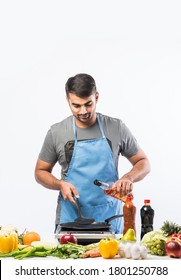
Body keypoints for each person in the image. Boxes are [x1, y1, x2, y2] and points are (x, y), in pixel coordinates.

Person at [34, 73, 151, 233]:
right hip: (71, 220)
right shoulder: (57, 132)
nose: (83, 111)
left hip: (110, 218)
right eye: (76, 105)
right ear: (67, 100)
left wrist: (128, 178)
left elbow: (143, 162)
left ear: (97, 97)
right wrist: (60, 184)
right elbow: (40, 172)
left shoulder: (116, 128)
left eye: (88, 104)